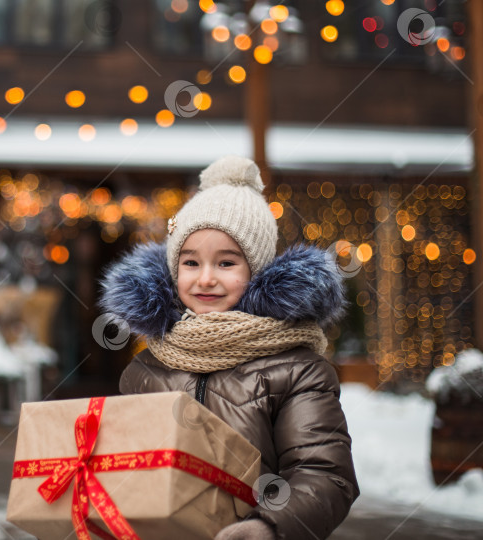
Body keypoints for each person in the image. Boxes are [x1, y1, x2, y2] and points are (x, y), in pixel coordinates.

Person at [99, 156, 359, 540]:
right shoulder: (146, 369)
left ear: (256, 272)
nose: (205, 279)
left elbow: (324, 473)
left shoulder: (296, 369)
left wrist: (268, 526)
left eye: (226, 263)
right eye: (190, 262)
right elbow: (125, 468)